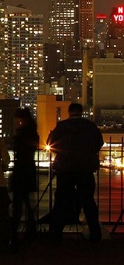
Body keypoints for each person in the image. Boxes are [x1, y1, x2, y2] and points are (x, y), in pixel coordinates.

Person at [47, 102, 104, 242]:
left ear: (69, 112)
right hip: (86, 168)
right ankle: (95, 233)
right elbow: (99, 143)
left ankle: (57, 233)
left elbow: (50, 143)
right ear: (81, 112)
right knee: (88, 201)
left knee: (61, 201)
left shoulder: (62, 126)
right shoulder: (90, 126)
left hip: (65, 168)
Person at [10, 107, 39, 242]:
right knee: (28, 203)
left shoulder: (21, 133)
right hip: (29, 168)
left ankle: (14, 231)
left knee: (17, 203)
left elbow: (19, 150)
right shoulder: (33, 132)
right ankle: (31, 231)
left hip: (21, 169)